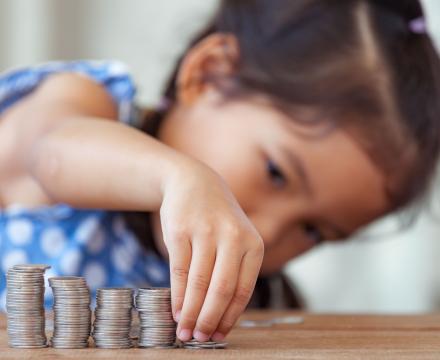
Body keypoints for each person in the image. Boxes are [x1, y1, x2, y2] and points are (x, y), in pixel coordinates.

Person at [1, 0, 440, 343]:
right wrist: (181, 178)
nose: (264, 233)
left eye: (313, 230)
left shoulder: (241, 303)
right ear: (207, 74)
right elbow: (51, 151)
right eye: (276, 173)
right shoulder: (90, 106)